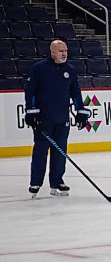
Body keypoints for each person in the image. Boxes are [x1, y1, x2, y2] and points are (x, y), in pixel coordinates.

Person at [24, 39, 90, 198]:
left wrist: (80, 110)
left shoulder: (70, 70)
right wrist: (31, 111)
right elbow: (30, 91)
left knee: (60, 152)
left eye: (66, 51)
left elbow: (75, 92)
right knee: (40, 151)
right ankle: (36, 182)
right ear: (52, 52)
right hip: (44, 119)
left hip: (62, 119)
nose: (64, 54)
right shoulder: (39, 68)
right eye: (61, 51)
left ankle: (57, 181)